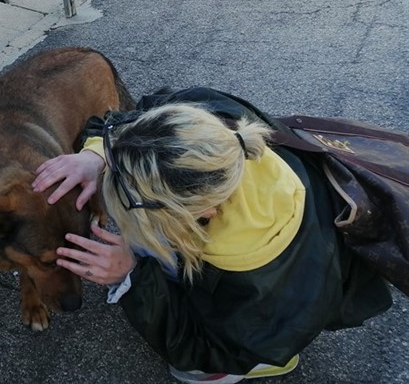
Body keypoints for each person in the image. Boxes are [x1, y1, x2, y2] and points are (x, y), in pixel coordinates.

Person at [32, 87, 393, 384]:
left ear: (202, 214)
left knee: (192, 369)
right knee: (148, 240)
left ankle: (266, 363)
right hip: (281, 261)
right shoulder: (210, 124)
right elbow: (146, 113)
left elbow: (200, 345)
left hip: (268, 324)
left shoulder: (262, 293)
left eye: (134, 207)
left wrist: (132, 277)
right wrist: (97, 156)